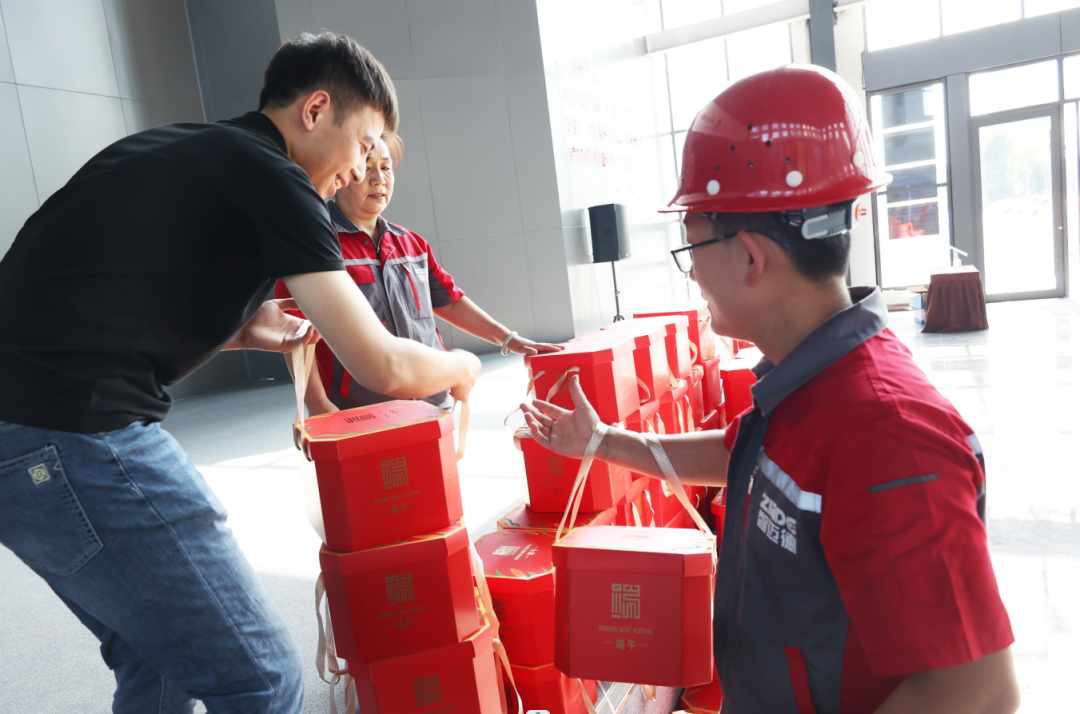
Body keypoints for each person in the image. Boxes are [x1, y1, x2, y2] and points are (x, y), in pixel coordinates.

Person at [0, 32, 480, 713]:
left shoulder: (183, 148)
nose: (361, 168)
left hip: (23, 444)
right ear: (316, 109)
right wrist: (461, 365)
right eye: (364, 143)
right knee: (263, 679)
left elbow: (102, 292)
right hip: (74, 434)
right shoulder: (277, 178)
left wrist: (248, 327)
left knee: (160, 659)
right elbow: (382, 361)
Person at [522, 66, 1020, 713]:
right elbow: (743, 456)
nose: (692, 273)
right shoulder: (810, 384)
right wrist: (604, 441)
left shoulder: (887, 436)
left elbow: (977, 691)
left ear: (751, 256)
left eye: (691, 247)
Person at [276, 136, 561, 415]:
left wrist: (508, 339)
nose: (378, 179)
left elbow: (449, 301)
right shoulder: (314, 249)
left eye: (385, 167)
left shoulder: (412, 244)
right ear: (340, 175)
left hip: (434, 404)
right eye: (366, 167)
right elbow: (294, 333)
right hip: (363, 413)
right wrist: (316, 403)